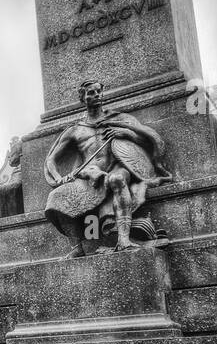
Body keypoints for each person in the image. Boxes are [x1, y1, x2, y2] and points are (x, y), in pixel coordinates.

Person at [44, 78, 170, 255]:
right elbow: (51, 159)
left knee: (117, 179)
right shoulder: (75, 130)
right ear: (83, 99)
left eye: (98, 92)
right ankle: (77, 248)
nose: (96, 95)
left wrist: (125, 133)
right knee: (55, 197)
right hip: (91, 176)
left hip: (118, 167)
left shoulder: (118, 119)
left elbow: (149, 141)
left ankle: (124, 240)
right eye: (91, 93)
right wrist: (58, 178)